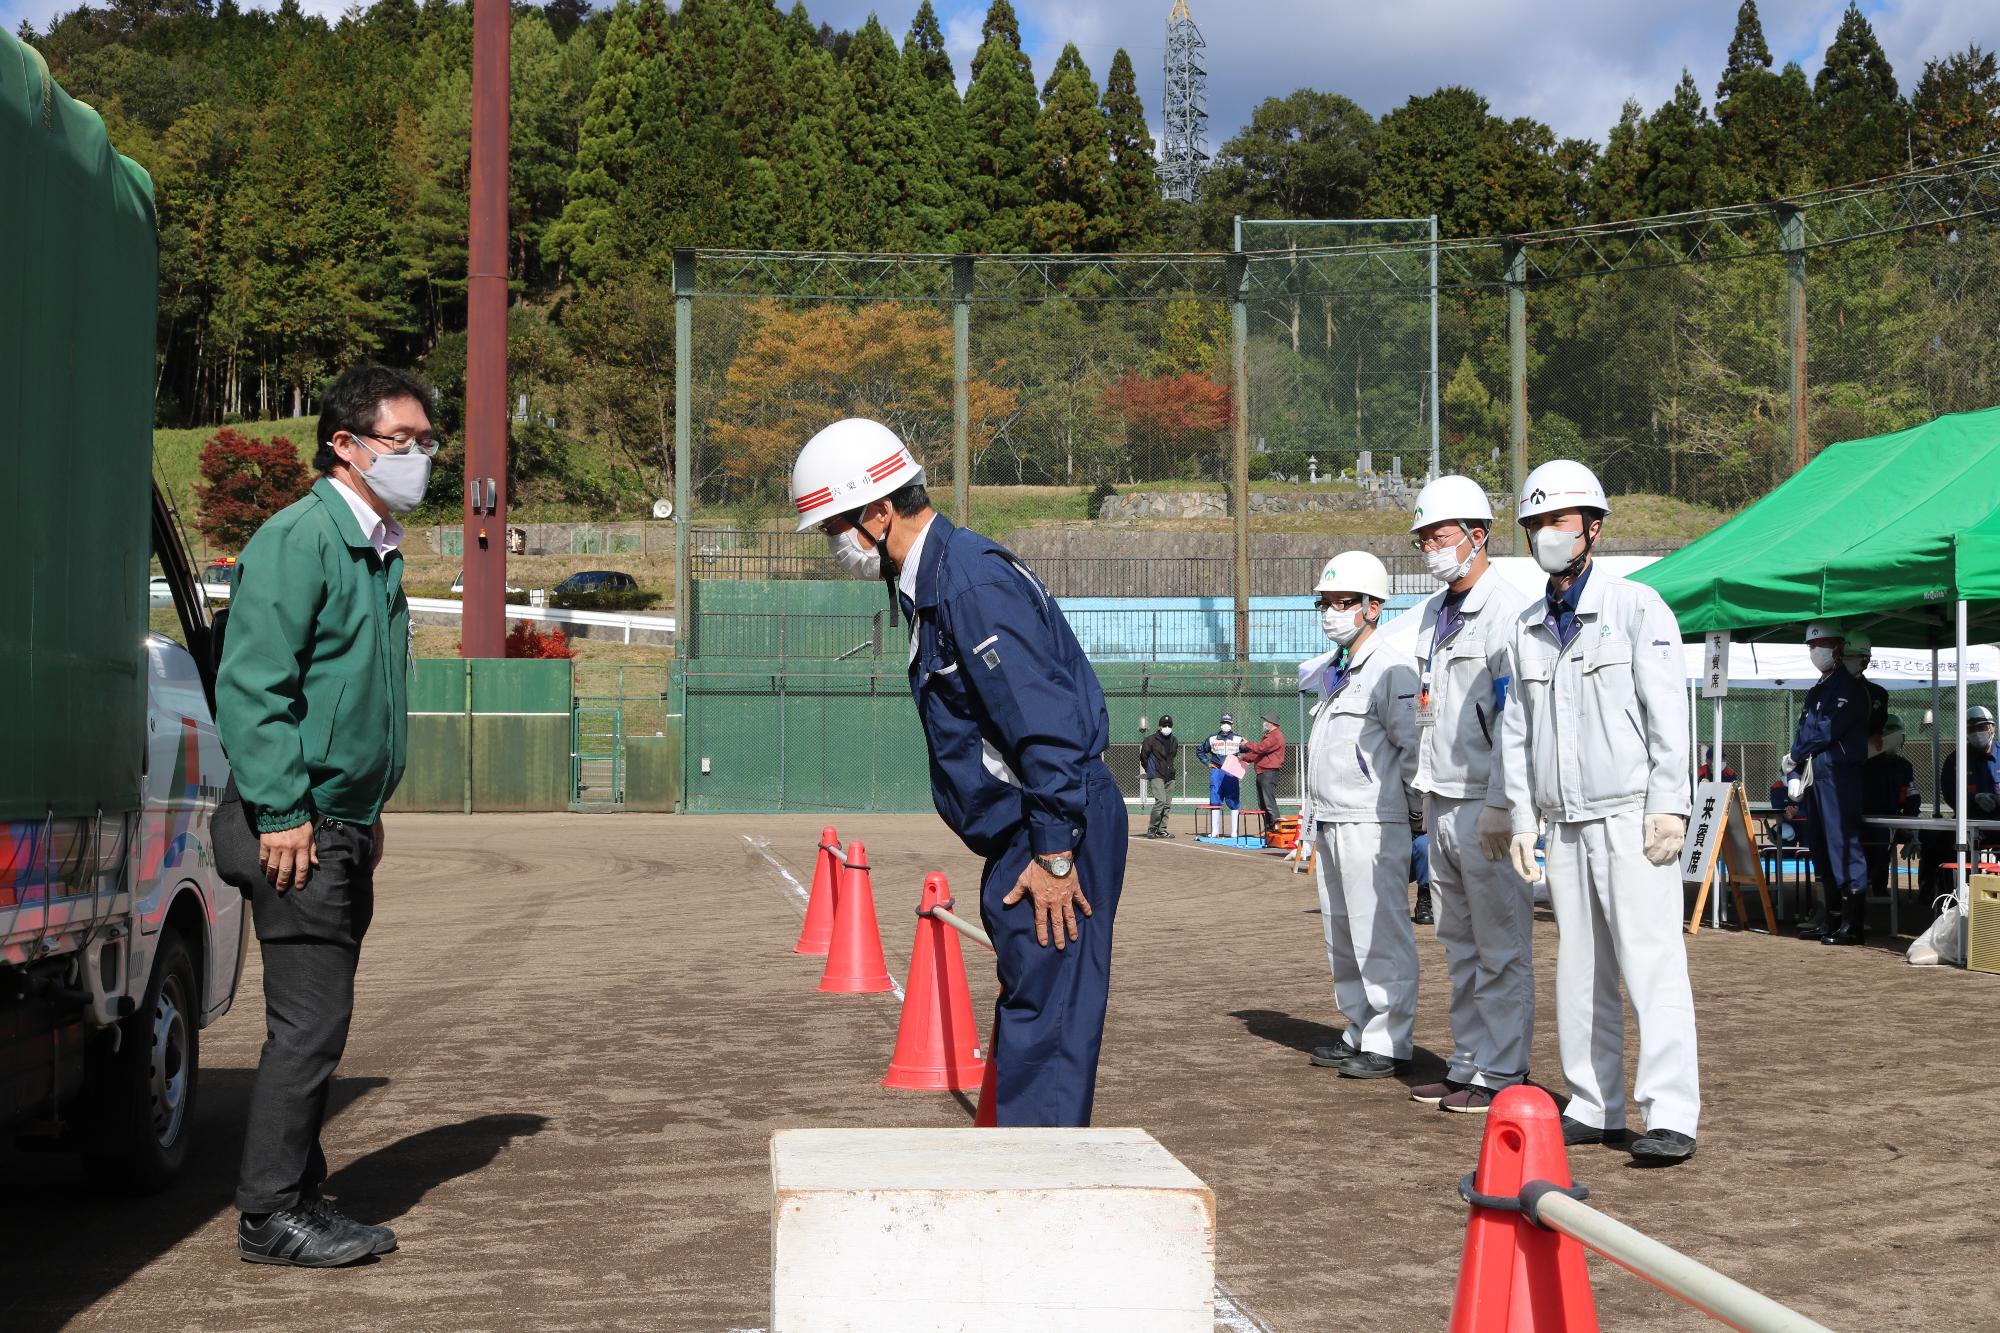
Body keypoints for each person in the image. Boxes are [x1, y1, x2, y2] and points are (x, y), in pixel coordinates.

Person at [790, 418, 1124, 1127]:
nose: (835, 546)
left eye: (835, 528)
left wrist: (1057, 854)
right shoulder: (936, 580)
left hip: (1053, 823)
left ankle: (1041, 1191)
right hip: (1032, 826)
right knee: (1033, 1005)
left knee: (1050, 1019)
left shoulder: (968, 583)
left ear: (878, 512)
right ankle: (1024, 1169)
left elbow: (1044, 720)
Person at [217, 365, 436, 1265]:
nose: (420, 456)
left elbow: (356, 696)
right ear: (344, 445)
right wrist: (284, 811)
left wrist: (364, 810)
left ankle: (300, 1194)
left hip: (336, 820)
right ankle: (271, 1214)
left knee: (314, 1024)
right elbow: (253, 686)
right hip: (291, 821)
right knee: (309, 1026)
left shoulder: (375, 544)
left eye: (428, 442)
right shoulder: (301, 538)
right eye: (402, 441)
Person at [1493, 460, 1699, 1165]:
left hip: (1630, 816)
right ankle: (1595, 1101)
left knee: (1651, 961)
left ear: (1593, 528)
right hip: (1565, 821)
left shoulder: (1639, 609)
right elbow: (1515, 731)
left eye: (1558, 520)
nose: (1546, 534)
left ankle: (1669, 1111)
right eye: (1535, 524)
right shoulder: (1525, 628)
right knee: (1578, 966)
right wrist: (1523, 817)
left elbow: (1671, 715)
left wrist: (1671, 803)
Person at [1404, 475, 1535, 1115]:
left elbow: (1517, 716)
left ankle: (1504, 1072)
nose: (1430, 546)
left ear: (1478, 535)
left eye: (1440, 534)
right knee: (1458, 942)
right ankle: (1466, 1062)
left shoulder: (1508, 611)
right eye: (1423, 537)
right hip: (1439, 796)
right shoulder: (1434, 614)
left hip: (1484, 802)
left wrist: (1504, 802)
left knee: (1502, 943)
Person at [1299, 551, 1422, 1081]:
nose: (1331, 612)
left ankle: (1390, 1039)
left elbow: (1412, 743)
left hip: (1374, 819)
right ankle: (1358, 1027)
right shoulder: (1335, 670)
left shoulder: (1393, 667)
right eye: (1325, 603)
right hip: (1332, 816)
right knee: (1341, 933)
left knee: (1379, 932)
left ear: (1374, 607)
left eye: (1342, 602)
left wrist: (1417, 815)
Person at [1787, 623, 1871, 945]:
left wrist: (1794, 755)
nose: (1814, 651)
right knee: (1821, 846)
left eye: (1819, 644)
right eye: (1810, 646)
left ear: (1837, 647)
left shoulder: (1847, 689)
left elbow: (1824, 732)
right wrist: (1794, 767)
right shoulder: (1818, 689)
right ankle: (1831, 919)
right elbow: (1805, 730)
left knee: (1843, 844)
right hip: (1817, 775)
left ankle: (1853, 925)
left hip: (1839, 775)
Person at [1861, 713, 1921, 906]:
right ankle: (1872, 885)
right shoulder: (1864, 765)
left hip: (1895, 821)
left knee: (1931, 837)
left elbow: (1912, 798)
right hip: (1866, 822)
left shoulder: (1904, 766)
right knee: (1879, 839)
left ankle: (1930, 892)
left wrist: (1911, 827)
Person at [1238, 715, 1287, 835]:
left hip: (1269, 773)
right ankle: (1268, 829)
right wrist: (1243, 757)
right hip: (1261, 772)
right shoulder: (1268, 736)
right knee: (1263, 803)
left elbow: (1260, 748)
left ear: (1271, 723)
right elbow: (1257, 754)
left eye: (1266, 721)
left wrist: (1247, 744)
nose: (1264, 723)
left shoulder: (1276, 736)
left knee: (1269, 803)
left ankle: (1275, 830)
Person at [1198, 714, 1245, 839]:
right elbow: (1200, 751)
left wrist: (1242, 760)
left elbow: (1250, 751)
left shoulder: (1238, 739)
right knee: (1215, 798)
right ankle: (1214, 831)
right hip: (1217, 771)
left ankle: (1234, 832)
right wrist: (1208, 763)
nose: (1226, 725)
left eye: (1228, 723)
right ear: (1220, 723)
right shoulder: (1212, 738)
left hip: (1231, 772)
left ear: (1232, 724)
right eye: (1224, 723)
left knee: (1233, 799)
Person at [1843, 629, 1891, 743]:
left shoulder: (1878, 694)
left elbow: (1878, 729)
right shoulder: (1826, 689)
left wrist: (1876, 734)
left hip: (1868, 756)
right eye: (1845, 656)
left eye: (1852, 656)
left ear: (1867, 660)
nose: (1846, 660)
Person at [1139, 716, 1179, 839]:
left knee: (1167, 804)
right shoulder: (1150, 740)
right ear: (1159, 726)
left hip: (1170, 775)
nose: (1166, 727)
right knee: (1160, 801)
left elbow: (1173, 757)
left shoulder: (1174, 740)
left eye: (1169, 725)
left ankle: (1162, 830)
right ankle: (1152, 828)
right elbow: (1143, 757)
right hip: (1156, 774)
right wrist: (1150, 770)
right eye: (1164, 725)